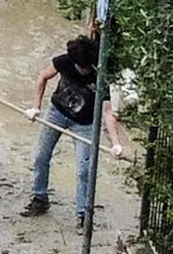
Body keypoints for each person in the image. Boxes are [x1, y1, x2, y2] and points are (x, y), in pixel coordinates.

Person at [19, 35, 108, 231]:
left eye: (87, 67)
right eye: (81, 66)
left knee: (84, 170)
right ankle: (39, 198)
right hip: (56, 113)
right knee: (41, 156)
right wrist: (35, 107)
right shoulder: (65, 61)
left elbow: (108, 111)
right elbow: (43, 77)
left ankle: (84, 215)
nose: (84, 70)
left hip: (85, 124)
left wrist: (117, 143)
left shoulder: (100, 75)